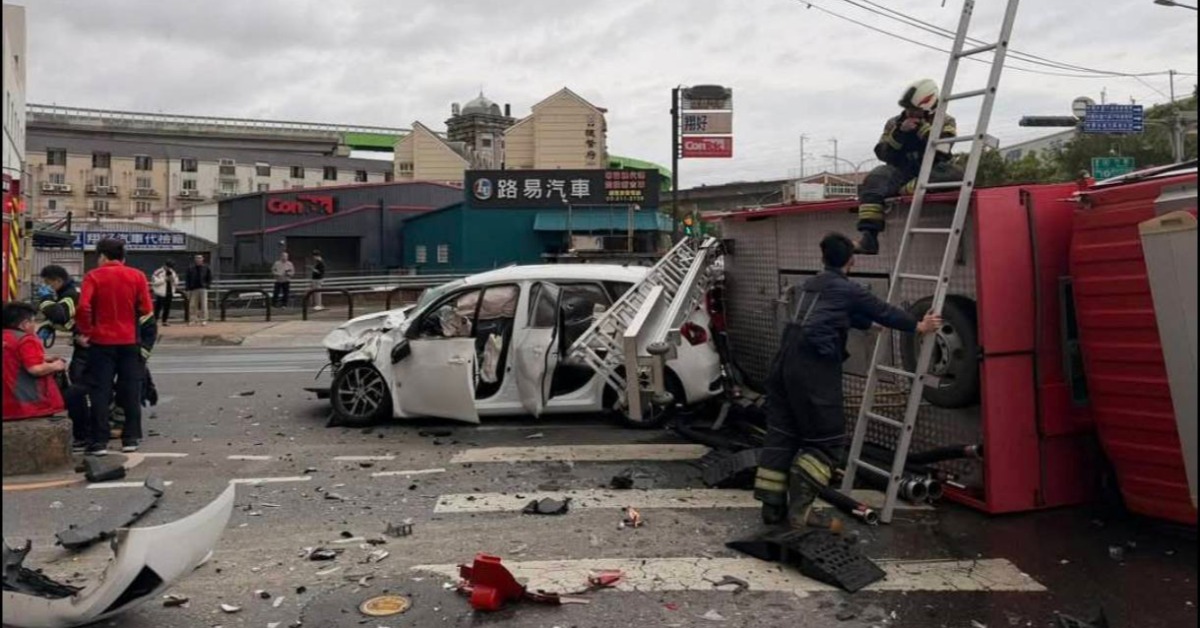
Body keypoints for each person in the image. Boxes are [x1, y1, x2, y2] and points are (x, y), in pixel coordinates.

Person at [753, 233, 942, 530]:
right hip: (813, 367)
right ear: (851, 260)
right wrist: (918, 325)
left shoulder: (810, 284)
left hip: (784, 363)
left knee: (783, 433)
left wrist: (868, 324)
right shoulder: (847, 289)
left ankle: (772, 509)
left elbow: (836, 312)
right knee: (826, 442)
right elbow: (882, 309)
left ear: (823, 258)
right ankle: (800, 512)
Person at [855, 79, 962, 255]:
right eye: (908, 108)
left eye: (915, 110)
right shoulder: (893, 123)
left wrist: (924, 130)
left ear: (929, 107)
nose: (910, 113)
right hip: (901, 169)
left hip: (932, 169)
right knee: (875, 178)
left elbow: (943, 151)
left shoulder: (946, 120)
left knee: (956, 174)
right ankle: (869, 238)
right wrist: (900, 133)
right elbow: (883, 153)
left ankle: (907, 189)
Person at [76, 238, 156, 455]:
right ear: (123, 257)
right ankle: (130, 438)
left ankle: (99, 441)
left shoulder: (93, 276)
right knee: (130, 390)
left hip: (101, 342)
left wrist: (87, 331)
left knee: (100, 391)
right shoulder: (137, 276)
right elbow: (147, 308)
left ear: (102, 256)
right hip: (129, 341)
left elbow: (83, 307)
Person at [36, 264, 92, 451]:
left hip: (88, 347)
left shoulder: (70, 294)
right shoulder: (69, 292)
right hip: (86, 343)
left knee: (77, 391)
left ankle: (85, 434)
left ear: (57, 281)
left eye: (47, 283)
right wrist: (49, 326)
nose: (46, 286)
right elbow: (68, 321)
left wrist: (44, 300)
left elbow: (61, 315)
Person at [3, 301, 67, 421]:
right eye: (33, 321)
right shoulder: (26, 340)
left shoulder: (6, 337)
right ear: (24, 324)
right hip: (27, 405)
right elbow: (35, 369)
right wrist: (56, 366)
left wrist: (44, 358)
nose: (35, 325)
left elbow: (13, 359)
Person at [185, 254, 213, 326]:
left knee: (204, 304)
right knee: (192, 305)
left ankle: (204, 319)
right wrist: (188, 288)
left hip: (203, 288)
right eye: (197, 258)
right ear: (195, 260)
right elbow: (187, 278)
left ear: (202, 259)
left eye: (200, 258)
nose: (198, 260)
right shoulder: (191, 268)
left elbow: (209, 277)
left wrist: (207, 285)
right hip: (193, 288)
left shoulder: (206, 268)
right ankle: (193, 319)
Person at [151, 260, 180, 326]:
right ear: (165, 265)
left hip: (169, 292)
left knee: (167, 307)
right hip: (161, 292)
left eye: (170, 266)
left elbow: (176, 282)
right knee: (158, 307)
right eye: (168, 266)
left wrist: (172, 279)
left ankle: (165, 321)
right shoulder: (158, 271)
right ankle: (155, 320)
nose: (169, 268)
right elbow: (154, 282)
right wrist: (164, 279)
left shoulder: (172, 272)